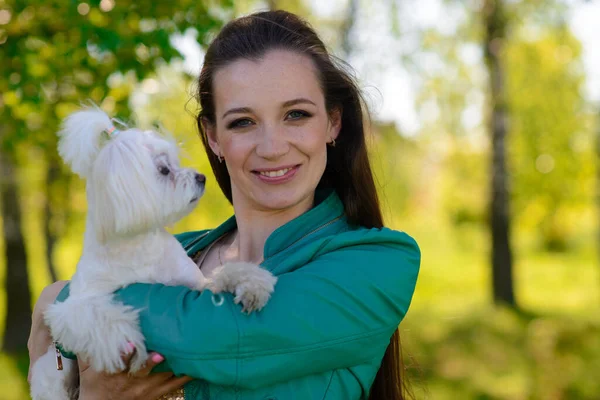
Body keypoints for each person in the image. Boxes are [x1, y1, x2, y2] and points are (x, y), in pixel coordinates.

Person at [28, 10, 420, 400]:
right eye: (243, 122)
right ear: (212, 136)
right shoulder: (173, 252)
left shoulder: (378, 262)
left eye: (296, 115)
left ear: (333, 123)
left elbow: (234, 333)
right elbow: (59, 360)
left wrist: (61, 301)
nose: (272, 147)